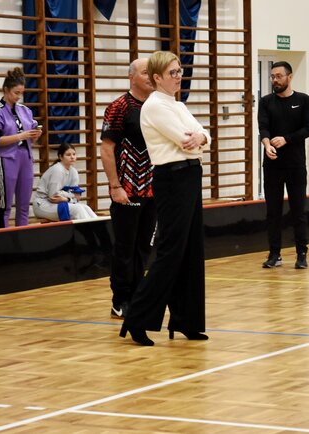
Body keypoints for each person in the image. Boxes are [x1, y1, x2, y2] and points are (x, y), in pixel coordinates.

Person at [119, 51, 211, 346]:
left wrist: (202, 138)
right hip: (172, 178)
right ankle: (137, 319)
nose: (179, 76)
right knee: (171, 251)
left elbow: (203, 136)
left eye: (180, 70)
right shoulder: (155, 106)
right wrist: (199, 139)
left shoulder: (177, 105)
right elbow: (186, 141)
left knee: (191, 248)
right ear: (157, 78)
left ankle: (186, 320)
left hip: (190, 175)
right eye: (173, 72)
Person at [100, 58, 157, 320]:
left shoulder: (157, 106)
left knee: (144, 246)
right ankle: (120, 299)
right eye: (145, 72)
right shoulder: (119, 107)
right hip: (127, 189)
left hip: (153, 190)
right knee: (125, 247)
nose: (150, 77)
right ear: (132, 77)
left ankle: (137, 295)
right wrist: (115, 186)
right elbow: (107, 149)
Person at [258, 61, 309, 269]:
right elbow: (263, 128)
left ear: (289, 77)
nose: (275, 80)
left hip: (295, 165)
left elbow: (308, 128)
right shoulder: (266, 102)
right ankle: (275, 254)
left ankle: (301, 254)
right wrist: (267, 145)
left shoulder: (303, 100)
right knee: (273, 212)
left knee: (298, 211)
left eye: (279, 76)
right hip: (272, 165)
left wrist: (286, 139)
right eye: (273, 76)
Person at [0, 67, 42, 228]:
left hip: (26, 158)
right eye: (16, 92)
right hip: (7, 159)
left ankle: (22, 238)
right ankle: (3, 239)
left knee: (24, 206)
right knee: (5, 206)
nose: (18, 96)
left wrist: (35, 135)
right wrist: (20, 136)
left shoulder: (26, 111)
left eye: (21, 93)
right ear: (6, 89)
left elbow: (31, 135)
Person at [33, 143, 97, 221]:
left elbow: (77, 197)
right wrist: (70, 197)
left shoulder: (73, 171)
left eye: (74, 154)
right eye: (68, 155)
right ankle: (88, 229)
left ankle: (99, 227)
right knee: (77, 209)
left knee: (86, 208)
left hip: (60, 202)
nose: (72, 157)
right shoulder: (57, 170)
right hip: (43, 205)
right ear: (60, 157)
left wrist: (67, 198)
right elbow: (53, 196)